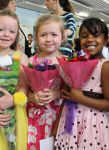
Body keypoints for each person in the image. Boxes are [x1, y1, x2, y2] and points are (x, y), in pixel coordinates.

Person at [53, 18, 109, 150]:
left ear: (105, 40)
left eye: (96, 35)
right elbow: (66, 97)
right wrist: (56, 125)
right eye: (84, 36)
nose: (89, 39)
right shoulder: (74, 63)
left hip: (92, 123)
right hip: (69, 120)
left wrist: (80, 98)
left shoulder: (105, 66)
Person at [27, 14, 65, 150]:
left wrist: (57, 93)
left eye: (54, 34)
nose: (48, 39)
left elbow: (71, 92)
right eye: (43, 35)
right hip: (33, 116)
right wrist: (33, 97)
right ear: (36, 38)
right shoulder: (31, 62)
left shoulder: (67, 62)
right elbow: (24, 91)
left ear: (63, 37)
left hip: (58, 115)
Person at [0, 9, 29, 150]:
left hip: (13, 114)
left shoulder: (21, 57)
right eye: (1, 29)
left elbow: (24, 86)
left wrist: (12, 100)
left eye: (12, 31)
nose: (6, 34)